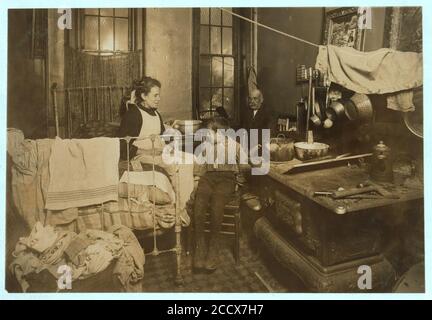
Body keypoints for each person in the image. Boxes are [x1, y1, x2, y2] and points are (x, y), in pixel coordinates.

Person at [192, 116, 249, 273]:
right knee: (200, 202)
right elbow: (199, 165)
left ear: (221, 133)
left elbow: (244, 166)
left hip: (227, 179)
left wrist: (240, 180)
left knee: (217, 203)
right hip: (208, 178)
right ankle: (200, 244)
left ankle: (213, 245)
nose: (206, 136)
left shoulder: (235, 146)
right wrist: (197, 180)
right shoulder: (205, 146)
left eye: (209, 133)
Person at [118, 76, 166, 160]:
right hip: (141, 158)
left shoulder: (156, 114)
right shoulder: (133, 115)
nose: (159, 99)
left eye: (159, 95)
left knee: (190, 159)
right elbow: (122, 145)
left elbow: (163, 137)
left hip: (160, 154)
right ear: (144, 96)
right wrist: (147, 152)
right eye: (155, 95)